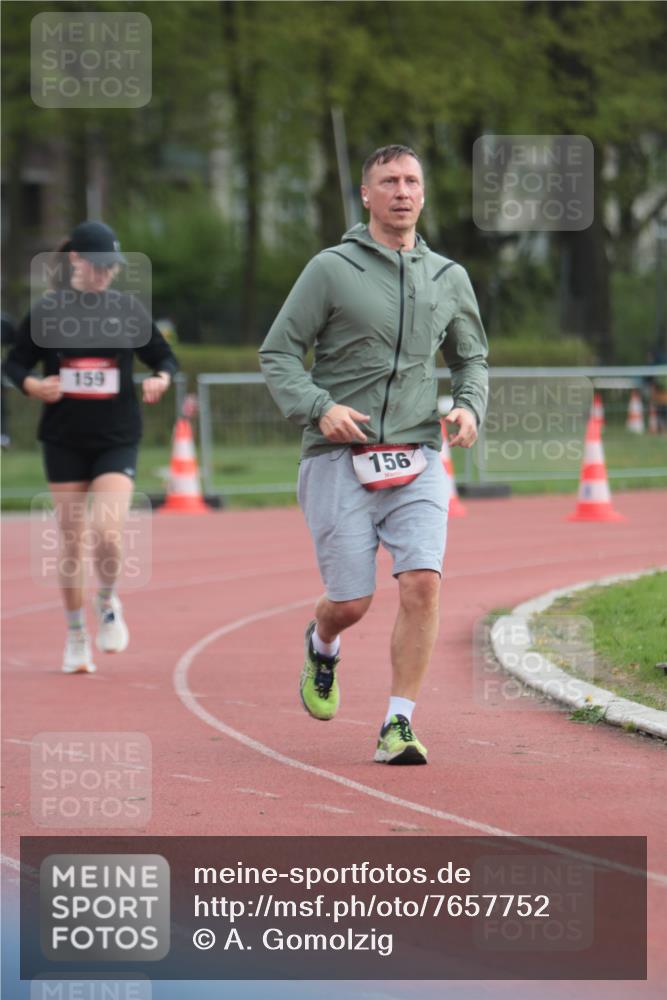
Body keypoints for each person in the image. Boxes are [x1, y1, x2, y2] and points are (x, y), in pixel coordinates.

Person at [259, 144, 488, 765]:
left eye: (412, 180)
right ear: (367, 195)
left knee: (422, 583)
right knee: (352, 601)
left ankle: (399, 724)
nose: (402, 191)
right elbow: (278, 353)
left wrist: (468, 406)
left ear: (424, 193)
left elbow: (471, 358)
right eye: (389, 181)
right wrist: (318, 408)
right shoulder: (331, 269)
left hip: (416, 454)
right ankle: (323, 641)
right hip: (339, 457)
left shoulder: (448, 277)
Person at [3, 221, 178, 674]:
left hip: (116, 436)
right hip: (63, 439)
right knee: (71, 542)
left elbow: (163, 356)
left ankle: (107, 600)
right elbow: (15, 362)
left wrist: (161, 377)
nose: (105, 274)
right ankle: (76, 633)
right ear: (75, 261)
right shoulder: (46, 313)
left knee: (107, 531)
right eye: (97, 266)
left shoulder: (127, 311)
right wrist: (33, 386)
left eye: (112, 268)